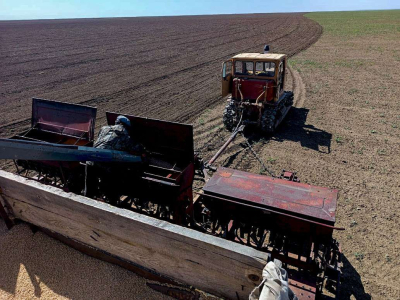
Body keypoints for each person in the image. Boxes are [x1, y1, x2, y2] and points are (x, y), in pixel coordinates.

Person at [85, 115, 145, 204]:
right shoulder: (125, 135)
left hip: (90, 159)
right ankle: (112, 200)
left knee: (89, 188)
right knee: (115, 176)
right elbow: (136, 149)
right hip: (105, 164)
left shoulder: (104, 128)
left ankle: (86, 199)